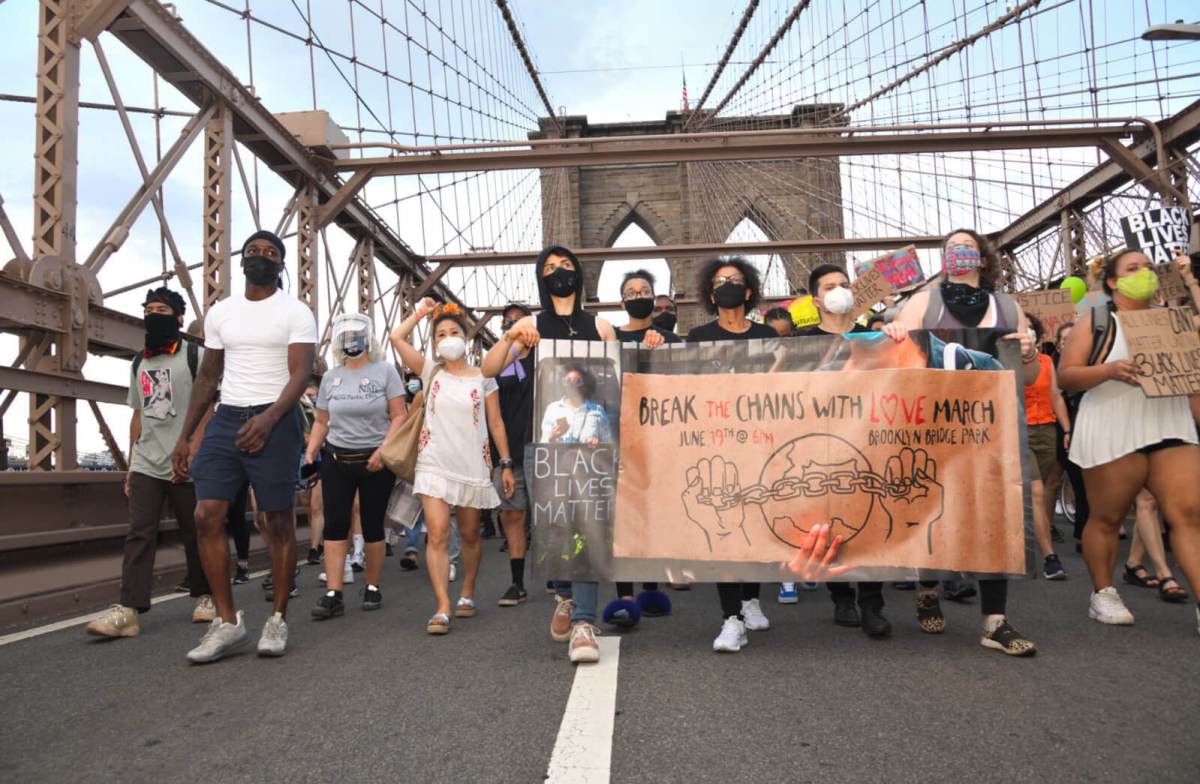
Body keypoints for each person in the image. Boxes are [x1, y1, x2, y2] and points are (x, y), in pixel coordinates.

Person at [482, 245, 658, 664]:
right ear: (540, 279)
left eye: (564, 266)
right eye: (549, 268)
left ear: (578, 274)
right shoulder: (531, 325)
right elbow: (489, 369)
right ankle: (563, 595)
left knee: (587, 528)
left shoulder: (601, 327)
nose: (558, 273)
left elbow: (622, 379)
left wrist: (650, 346)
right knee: (555, 529)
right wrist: (510, 337)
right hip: (546, 449)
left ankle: (583, 620)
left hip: (593, 449)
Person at [172, 230, 317, 662]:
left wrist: (271, 417)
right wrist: (186, 435)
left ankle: (276, 618)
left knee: (276, 520)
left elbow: (301, 372)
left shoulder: (295, 311)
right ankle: (228, 622)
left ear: (281, 265)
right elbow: (207, 376)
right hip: (227, 417)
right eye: (253, 252)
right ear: (242, 261)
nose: (260, 258)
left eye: (270, 253)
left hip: (275, 418)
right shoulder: (222, 313)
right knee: (206, 514)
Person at [894, 228, 1038, 656]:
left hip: (992, 429)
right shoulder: (924, 302)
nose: (961, 253)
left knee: (997, 512)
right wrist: (898, 332)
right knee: (934, 507)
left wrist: (1028, 352)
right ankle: (927, 587)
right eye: (953, 248)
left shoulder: (1009, 308)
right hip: (936, 426)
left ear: (983, 258)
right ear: (944, 258)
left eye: (969, 248)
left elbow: (1026, 379)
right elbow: (904, 360)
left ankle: (994, 621)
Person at [1057, 249, 1200, 631]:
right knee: (1107, 516)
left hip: (1168, 421)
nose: (1145, 274)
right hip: (1113, 423)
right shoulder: (1098, 321)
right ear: (1114, 281)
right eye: (1134, 269)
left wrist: (1190, 281)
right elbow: (1067, 376)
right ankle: (1102, 593)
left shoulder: (1175, 320)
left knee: (1189, 514)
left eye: (1149, 268)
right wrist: (1108, 370)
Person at [87, 288, 213, 639]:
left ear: (178, 318)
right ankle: (129, 610)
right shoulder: (139, 361)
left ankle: (206, 596)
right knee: (140, 532)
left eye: (161, 309)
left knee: (196, 531)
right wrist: (130, 465)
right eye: (148, 309)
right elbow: (138, 415)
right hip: (146, 461)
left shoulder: (194, 355)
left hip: (187, 460)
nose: (152, 315)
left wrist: (194, 450)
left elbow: (207, 409)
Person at [793, 263, 907, 639]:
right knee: (828, 521)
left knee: (871, 520)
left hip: (866, 441)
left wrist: (895, 334)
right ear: (816, 298)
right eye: (830, 286)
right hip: (818, 444)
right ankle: (841, 595)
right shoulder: (800, 342)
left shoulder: (872, 338)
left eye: (844, 285)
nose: (839, 291)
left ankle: (872, 603)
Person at [390, 300, 515, 635]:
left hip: (472, 463)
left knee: (472, 534)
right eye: (441, 334)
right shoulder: (431, 371)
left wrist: (505, 464)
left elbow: (497, 423)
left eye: (454, 332)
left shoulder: (485, 377)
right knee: (439, 531)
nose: (448, 337)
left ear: (465, 336)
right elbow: (396, 339)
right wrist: (419, 314)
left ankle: (468, 592)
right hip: (434, 462)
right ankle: (442, 605)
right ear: (434, 343)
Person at [685, 256, 777, 653]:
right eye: (720, 281)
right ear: (711, 293)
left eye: (734, 280)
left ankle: (750, 597)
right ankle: (730, 618)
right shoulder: (697, 336)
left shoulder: (767, 335)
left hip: (759, 440)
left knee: (754, 521)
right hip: (715, 442)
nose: (727, 285)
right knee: (722, 523)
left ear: (749, 290)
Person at [306, 314, 405, 618]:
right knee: (335, 524)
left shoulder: (385, 371)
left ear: (367, 338)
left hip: (375, 461)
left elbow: (399, 415)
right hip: (337, 459)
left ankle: (373, 586)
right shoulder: (331, 377)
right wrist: (311, 452)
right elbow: (322, 420)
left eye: (356, 335)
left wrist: (384, 450)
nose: (350, 340)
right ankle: (334, 593)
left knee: (373, 524)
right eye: (344, 335)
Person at [491, 302, 536, 606]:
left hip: (545, 447)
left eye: (521, 320)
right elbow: (492, 415)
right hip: (509, 449)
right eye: (508, 322)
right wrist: (503, 460)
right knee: (513, 514)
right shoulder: (498, 366)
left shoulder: (548, 352)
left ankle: (559, 578)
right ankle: (517, 582)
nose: (515, 325)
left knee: (552, 517)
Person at [1022, 313, 1071, 580]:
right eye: (1022, 329)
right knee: (1036, 491)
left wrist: (1066, 429)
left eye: (1031, 329)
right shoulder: (1005, 361)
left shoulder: (1046, 362)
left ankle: (1022, 539)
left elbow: (1055, 396)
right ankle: (1050, 557)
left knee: (1031, 495)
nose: (1027, 333)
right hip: (1020, 432)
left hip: (1047, 432)